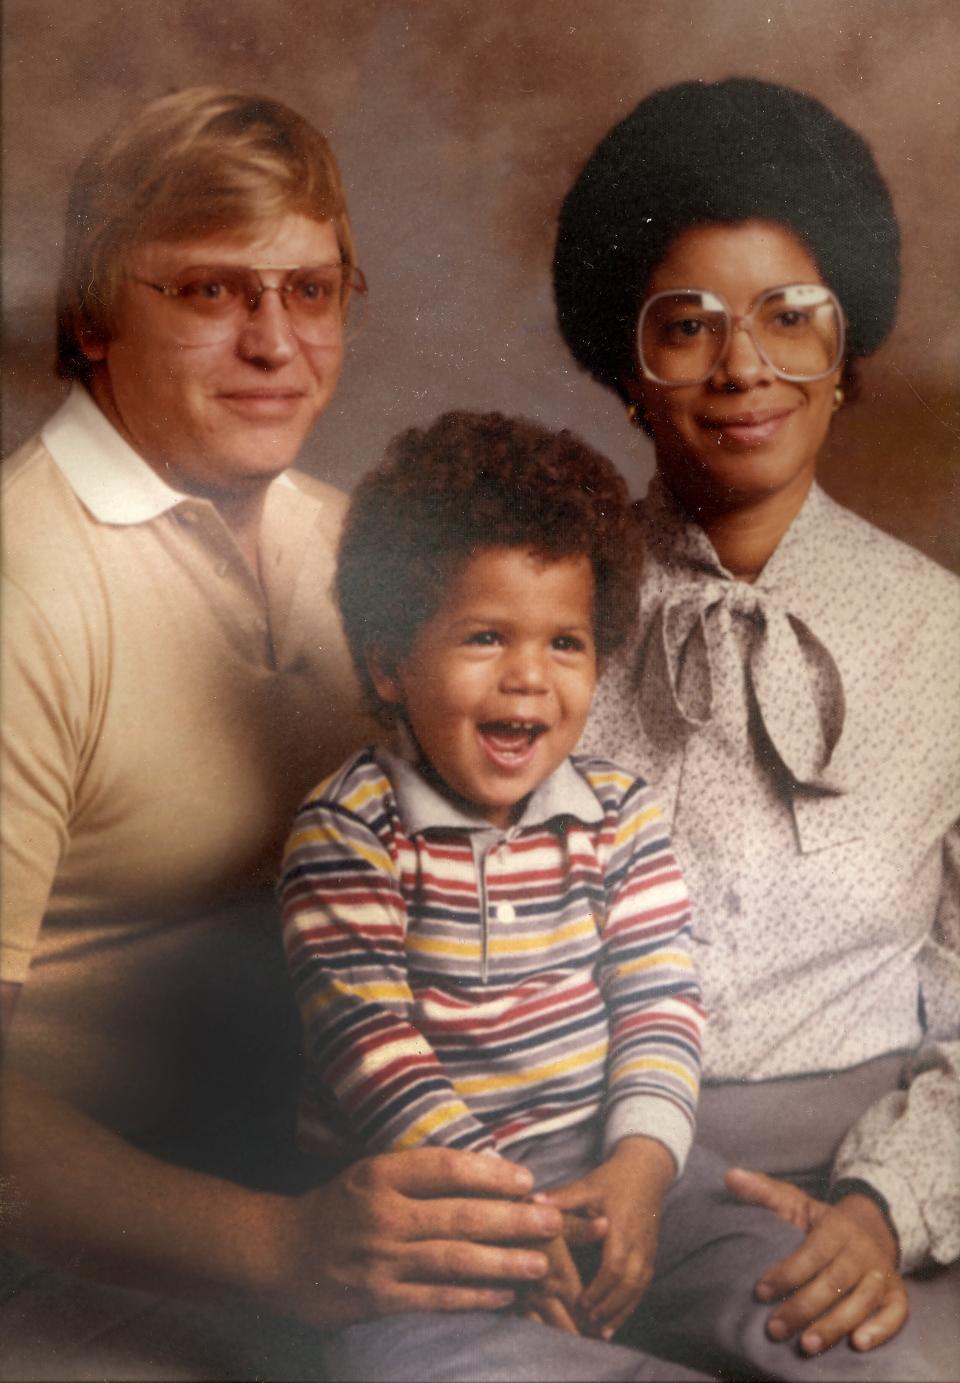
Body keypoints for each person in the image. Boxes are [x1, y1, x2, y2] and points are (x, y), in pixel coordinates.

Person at [0, 88, 576, 1383]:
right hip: (94, 1262)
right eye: (211, 293)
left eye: (310, 292)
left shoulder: (349, 542)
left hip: (352, 1182)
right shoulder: (22, 583)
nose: (275, 342)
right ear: (93, 316)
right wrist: (282, 1249)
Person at [552, 76, 960, 1379]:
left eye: (793, 319)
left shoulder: (942, 634)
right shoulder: (535, 621)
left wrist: (884, 1204)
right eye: (689, 326)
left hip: (853, 1183)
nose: (744, 369)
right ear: (627, 366)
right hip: (575, 1181)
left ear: (848, 354)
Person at [281, 411, 705, 1351]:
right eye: (484, 637)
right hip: (426, 1196)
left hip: (601, 1160)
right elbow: (376, 1053)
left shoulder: (620, 815)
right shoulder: (349, 831)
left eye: (566, 643)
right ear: (391, 661)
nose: (528, 679)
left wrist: (641, 1164)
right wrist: (509, 1218)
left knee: (770, 1273)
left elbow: (661, 1004)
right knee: (403, 1359)